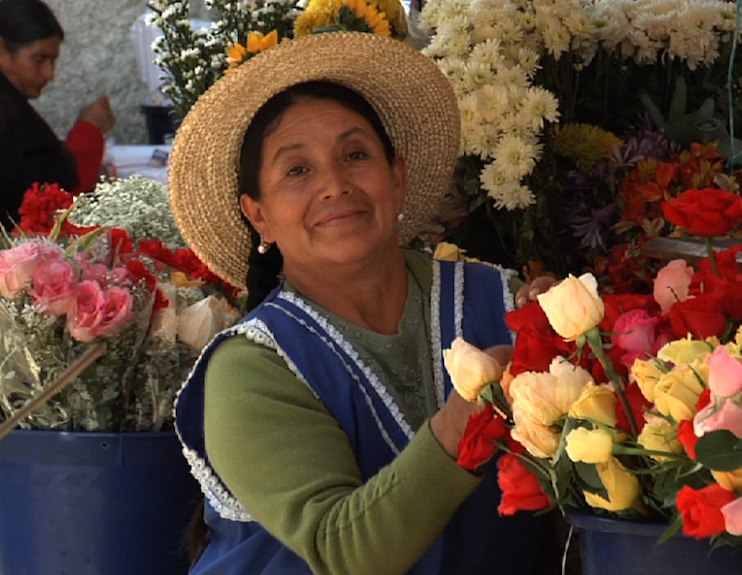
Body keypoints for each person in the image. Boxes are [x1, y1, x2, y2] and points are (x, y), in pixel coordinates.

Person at [169, 31, 560, 575]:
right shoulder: (252, 366)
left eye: (355, 155)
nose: (334, 184)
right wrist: (472, 409)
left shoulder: (495, 299)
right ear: (258, 215)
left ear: (396, 178)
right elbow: (346, 553)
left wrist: (579, 351)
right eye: (297, 170)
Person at [0, 0, 117, 233]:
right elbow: (56, 197)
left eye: (53, 61)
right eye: (39, 60)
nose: (50, 74)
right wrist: (90, 129)